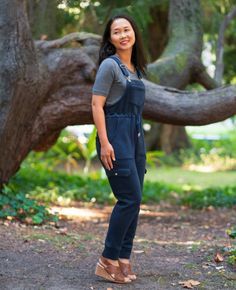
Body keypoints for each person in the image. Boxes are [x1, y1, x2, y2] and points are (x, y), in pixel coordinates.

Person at [91, 14, 147, 284]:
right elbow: (96, 105)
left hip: (135, 140)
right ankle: (106, 259)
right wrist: (104, 142)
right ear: (110, 39)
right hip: (114, 138)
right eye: (117, 32)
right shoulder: (109, 67)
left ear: (134, 33)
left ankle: (123, 258)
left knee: (135, 202)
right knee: (129, 199)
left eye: (127, 29)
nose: (123, 35)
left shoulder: (135, 69)